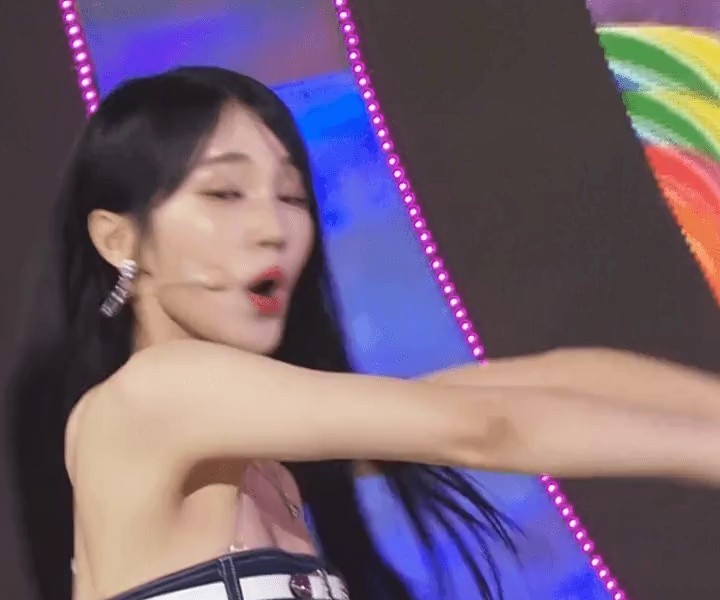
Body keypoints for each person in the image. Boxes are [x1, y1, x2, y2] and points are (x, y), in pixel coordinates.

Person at [6, 66, 720, 600]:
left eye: (291, 195)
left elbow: (533, 382)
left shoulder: (256, 455)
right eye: (224, 193)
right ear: (118, 238)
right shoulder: (157, 391)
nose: (273, 227)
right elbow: (485, 425)